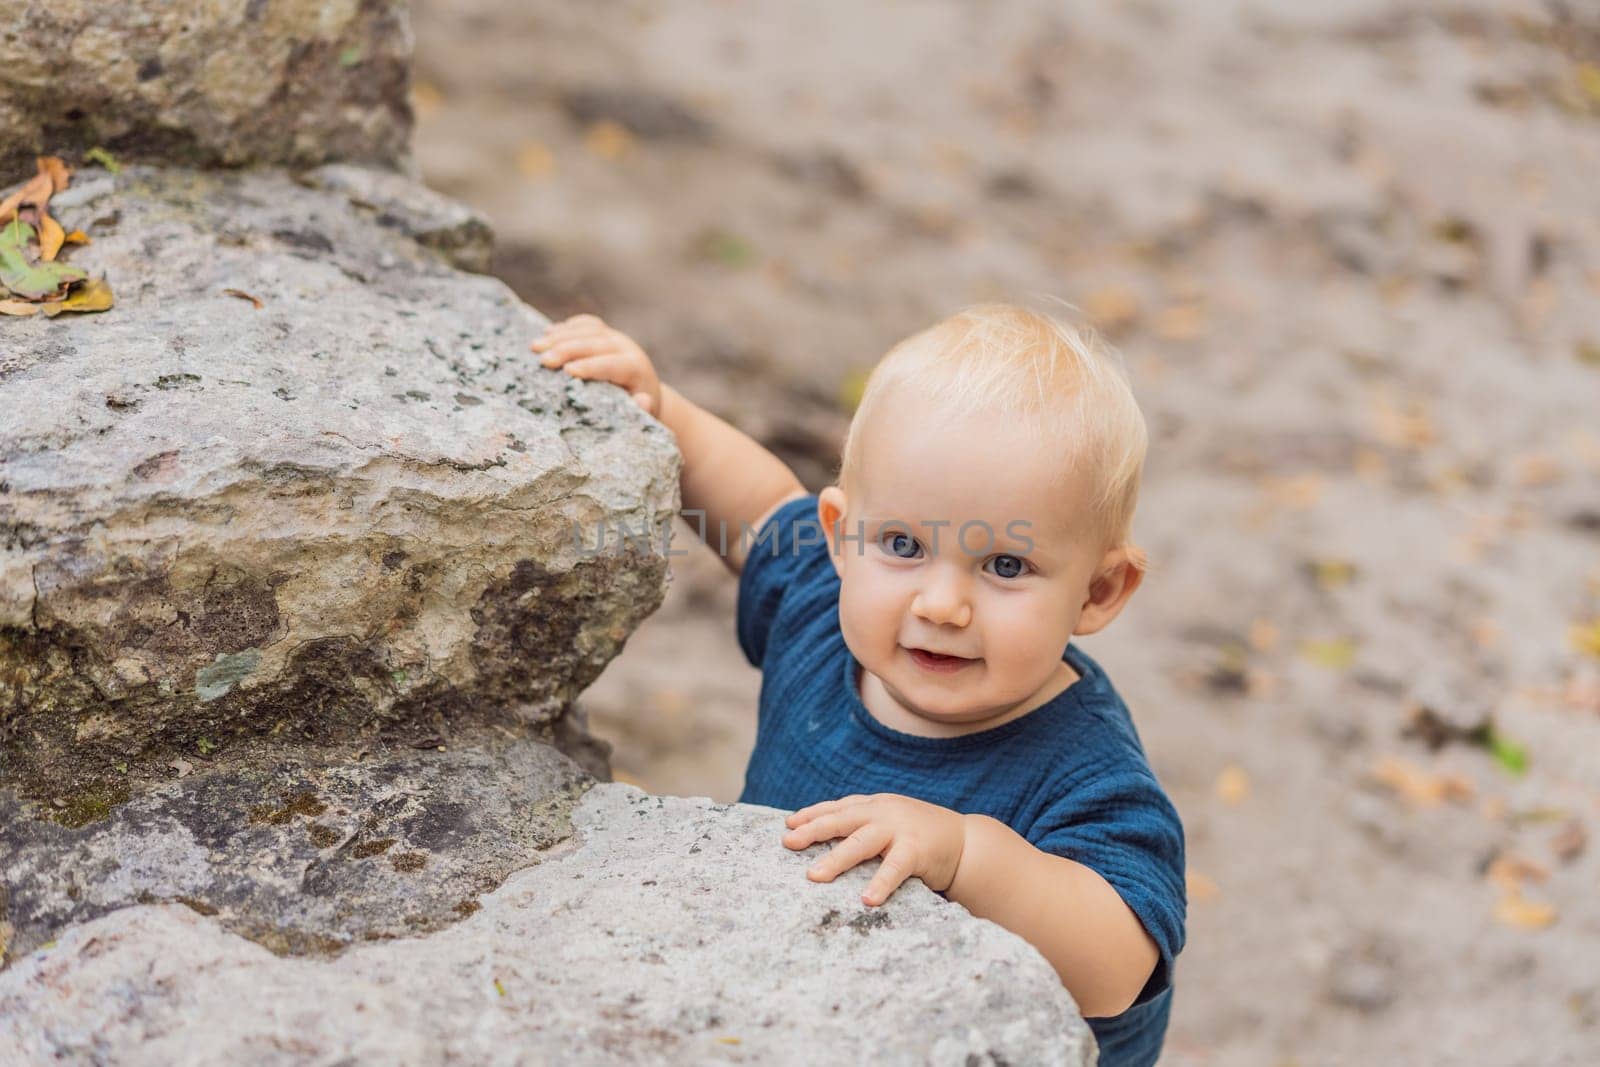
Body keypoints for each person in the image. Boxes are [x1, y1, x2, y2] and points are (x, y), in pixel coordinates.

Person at [530, 303, 1185, 1066]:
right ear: (842, 536)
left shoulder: (1086, 773)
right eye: (904, 544)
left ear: (1099, 591)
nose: (941, 604)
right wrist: (661, 406)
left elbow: (1116, 966)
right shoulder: (821, 609)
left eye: (1006, 565)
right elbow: (755, 508)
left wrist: (966, 854)